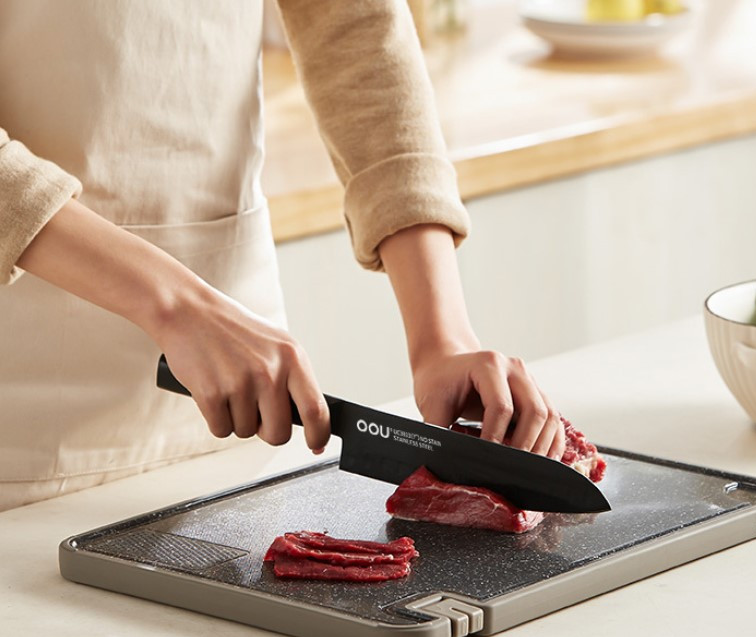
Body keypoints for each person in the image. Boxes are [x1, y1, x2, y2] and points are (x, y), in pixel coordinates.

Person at [0, 1, 565, 512]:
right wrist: (176, 304)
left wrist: (443, 339)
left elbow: (355, 26)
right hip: (24, 424)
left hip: (248, 407)